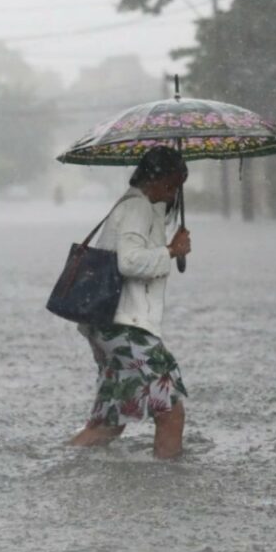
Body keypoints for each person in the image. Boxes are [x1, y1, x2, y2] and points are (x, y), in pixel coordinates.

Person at [69, 146, 192, 459]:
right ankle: (170, 495)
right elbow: (130, 262)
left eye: (177, 186)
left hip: (108, 325)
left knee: (107, 424)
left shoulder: (135, 207)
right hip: (128, 328)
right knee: (171, 412)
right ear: (154, 178)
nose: (173, 193)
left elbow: (133, 256)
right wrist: (171, 252)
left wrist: (167, 247)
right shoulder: (137, 208)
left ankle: (62, 467)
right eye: (171, 184)